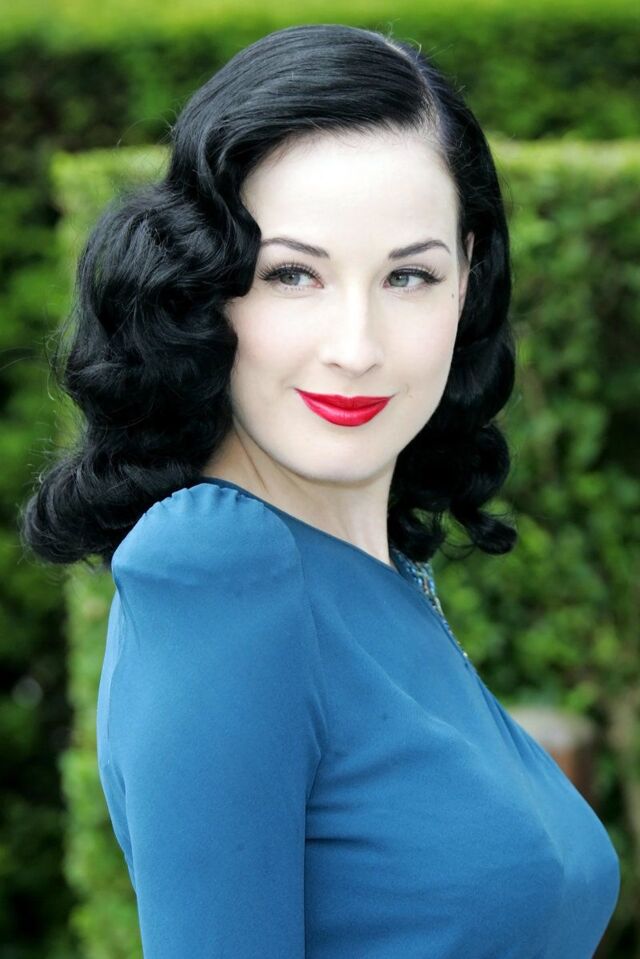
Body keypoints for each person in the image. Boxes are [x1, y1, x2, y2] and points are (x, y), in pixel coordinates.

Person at [19, 23, 620, 958]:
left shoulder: (382, 567)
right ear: (206, 283)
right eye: (292, 273)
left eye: (409, 275)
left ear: (467, 279)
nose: (356, 346)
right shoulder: (219, 564)